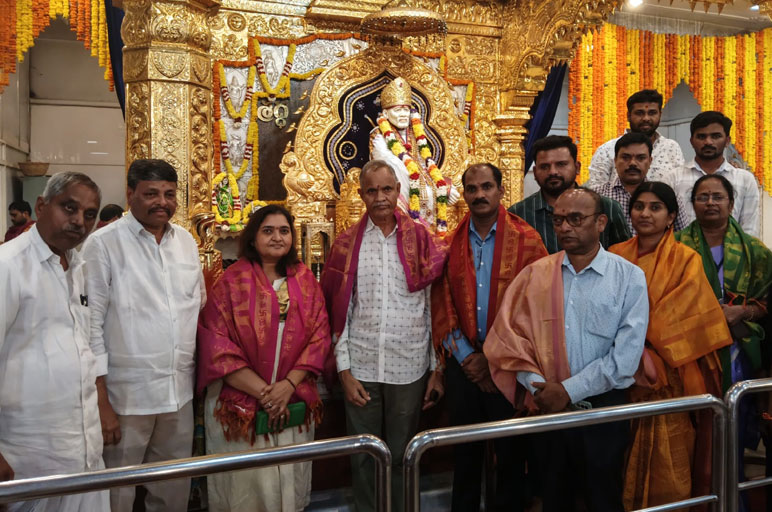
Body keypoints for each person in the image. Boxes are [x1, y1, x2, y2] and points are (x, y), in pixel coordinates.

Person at [485, 187, 648, 512]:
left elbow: (625, 359)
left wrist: (568, 391)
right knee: (553, 496)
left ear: (601, 222)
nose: (565, 228)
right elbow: (510, 339)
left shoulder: (628, 277)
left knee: (602, 497)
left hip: (602, 411)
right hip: (547, 408)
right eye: (559, 220)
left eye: (576, 219)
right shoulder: (536, 274)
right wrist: (539, 388)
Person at [321, 159, 447, 512]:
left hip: (408, 367)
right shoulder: (347, 245)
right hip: (360, 366)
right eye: (372, 190)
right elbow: (338, 314)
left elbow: (432, 308)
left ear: (398, 192)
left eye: (387, 189)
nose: (380, 197)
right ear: (361, 194)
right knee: (363, 455)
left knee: (403, 453)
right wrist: (344, 371)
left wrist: (437, 369)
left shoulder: (422, 240)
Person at [82, 159, 205, 512]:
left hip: (177, 395)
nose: (161, 202)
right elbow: (90, 326)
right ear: (131, 194)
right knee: (116, 494)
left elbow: (194, 308)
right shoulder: (103, 245)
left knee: (172, 492)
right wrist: (101, 399)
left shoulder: (185, 242)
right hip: (125, 399)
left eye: (169, 194)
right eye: (151, 194)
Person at [197, 205, 332, 512]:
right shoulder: (230, 281)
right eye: (267, 231)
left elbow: (320, 335)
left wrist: (287, 386)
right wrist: (264, 394)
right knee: (246, 490)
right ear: (253, 237)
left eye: (284, 231)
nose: (276, 237)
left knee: (288, 487)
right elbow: (217, 345)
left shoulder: (306, 280)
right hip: (240, 404)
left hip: (292, 398)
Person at [431, 163, 547, 512]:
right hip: (464, 366)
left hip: (510, 365)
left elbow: (537, 308)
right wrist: (468, 358)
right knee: (465, 453)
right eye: (472, 188)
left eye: (486, 187)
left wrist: (493, 359)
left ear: (500, 191)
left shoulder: (528, 240)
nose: (479, 195)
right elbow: (442, 302)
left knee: (512, 453)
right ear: (463, 194)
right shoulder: (448, 243)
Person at [608, 181, 731, 509]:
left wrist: (643, 347)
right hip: (619, 371)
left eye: (655, 207)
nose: (645, 213)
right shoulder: (615, 255)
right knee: (616, 452)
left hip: (670, 374)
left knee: (671, 457)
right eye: (639, 206)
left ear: (671, 216)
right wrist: (628, 350)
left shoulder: (686, 259)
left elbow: (690, 314)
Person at [0, 172, 109, 511]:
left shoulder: (78, 265)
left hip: (84, 449)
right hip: (27, 451)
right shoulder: (9, 266)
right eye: (69, 208)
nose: (79, 221)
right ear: (42, 206)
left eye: (89, 214)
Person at [675, 174, 772, 497]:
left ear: (731, 204)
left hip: (738, 354)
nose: (711, 203)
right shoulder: (675, 248)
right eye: (703, 197)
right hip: (689, 353)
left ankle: (733, 497)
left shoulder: (755, 252)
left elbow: (768, 302)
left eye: (718, 197)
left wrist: (742, 312)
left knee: (731, 431)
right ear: (692, 205)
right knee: (695, 433)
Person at [510, 135, 630, 253]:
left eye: (561, 164)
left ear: (577, 167)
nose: (553, 172)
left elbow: (626, 255)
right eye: (545, 166)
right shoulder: (518, 215)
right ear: (535, 172)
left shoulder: (607, 207)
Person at [370, 76, 459, 229]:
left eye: (406, 109)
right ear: (385, 114)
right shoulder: (378, 135)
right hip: (394, 191)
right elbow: (391, 164)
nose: (403, 114)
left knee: (450, 191)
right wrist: (429, 189)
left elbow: (428, 165)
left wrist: (444, 186)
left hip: (421, 185)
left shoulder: (416, 135)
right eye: (398, 110)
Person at [667, 111, 760, 236]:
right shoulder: (673, 178)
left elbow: (749, 230)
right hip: (682, 253)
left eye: (715, 136)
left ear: (727, 141)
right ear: (691, 141)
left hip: (733, 254)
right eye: (701, 137)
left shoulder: (744, 180)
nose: (708, 142)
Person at [586, 89, 684, 189]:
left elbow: (680, 188)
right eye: (639, 113)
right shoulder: (606, 150)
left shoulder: (671, 147)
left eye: (652, 113)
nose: (646, 118)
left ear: (660, 115)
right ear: (628, 116)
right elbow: (596, 194)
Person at [593, 132, 689, 234]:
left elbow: (684, 238)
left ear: (650, 161)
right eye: (625, 157)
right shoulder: (596, 197)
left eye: (641, 158)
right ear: (615, 160)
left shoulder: (668, 197)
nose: (633, 163)